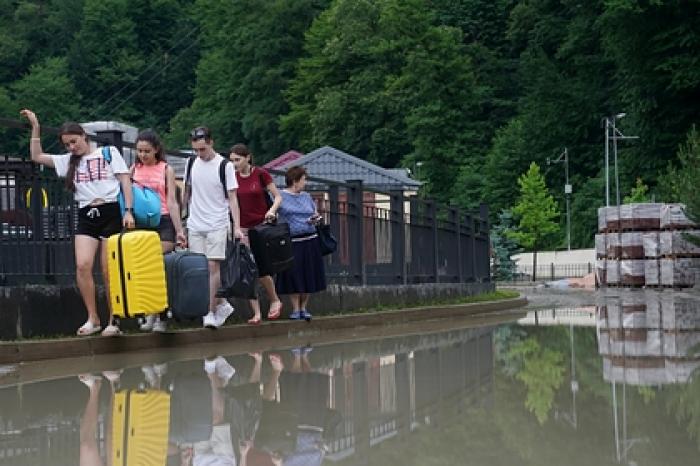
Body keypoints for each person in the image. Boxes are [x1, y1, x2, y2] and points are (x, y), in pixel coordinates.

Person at [20, 109, 134, 337]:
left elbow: (124, 180)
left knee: (107, 268)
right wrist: (35, 127)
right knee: (82, 265)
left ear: (84, 136)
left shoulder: (108, 152)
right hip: (85, 212)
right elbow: (37, 156)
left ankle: (115, 319)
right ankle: (93, 317)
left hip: (110, 210)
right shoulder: (68, 161)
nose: (72, 147)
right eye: (67, 144)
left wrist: (128, 210)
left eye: (74, 141)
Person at [184, 126, 243, 328]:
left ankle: (209, 311)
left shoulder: (224, 165)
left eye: (202, 149)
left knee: (212, 267)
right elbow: (187, 192)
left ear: (211, 143)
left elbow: (233, 198)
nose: (200, 154)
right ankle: (221, 304)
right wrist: (184, 221)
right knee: (199, 270)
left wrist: (237, 226)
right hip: (195, 222)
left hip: (217, 222)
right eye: (196, 150)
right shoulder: (191, 162)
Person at [131, 129, 186, 332]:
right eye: (139, 151)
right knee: (144, 269)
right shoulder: (133, 169)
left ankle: (161, 315)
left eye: (147, 151)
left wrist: (179, 230)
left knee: (157, 266)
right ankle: (150, 312)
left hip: (163, 220)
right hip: (142, 223)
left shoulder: (166, 169)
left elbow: (172, 201)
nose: (143, 155)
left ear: (156, 150)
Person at [229, 143, 284, 325]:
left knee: (261, 269)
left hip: (261, 227)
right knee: (247, 270)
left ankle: (275, 299)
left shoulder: (260, 174)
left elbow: (278, 196)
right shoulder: (232, 178)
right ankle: (257, 313)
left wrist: (272, 211)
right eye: (232, 160)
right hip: (242, 228)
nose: (235, 163)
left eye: (238, 160)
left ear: (248, 158)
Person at [274, 166, 326, 320]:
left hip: (310, 238)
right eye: (303, 179)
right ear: (295, 181)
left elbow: (314, 212)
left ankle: (304, 307)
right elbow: (275, 212)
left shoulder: (306, 196)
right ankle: (295, 308)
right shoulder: (281, 196)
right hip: (292, 241)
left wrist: (315, 219)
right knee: (293, 274)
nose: (305, 182)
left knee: (309, 273)